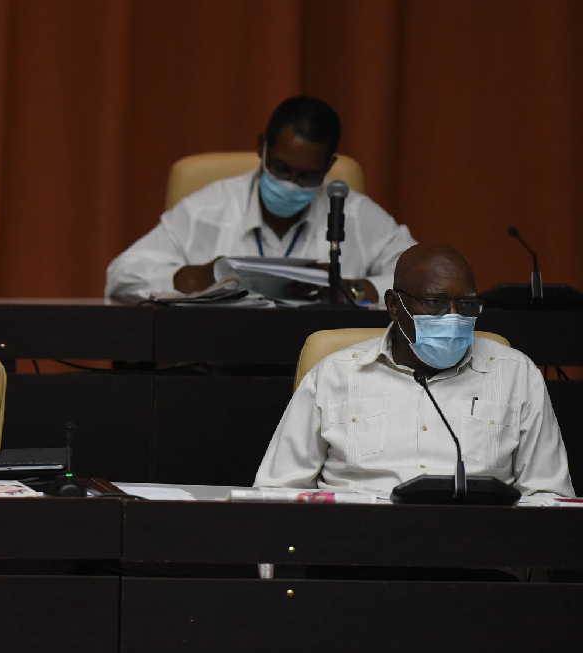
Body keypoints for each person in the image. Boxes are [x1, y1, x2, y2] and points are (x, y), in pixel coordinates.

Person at [254, 244, 574, 498]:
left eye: (466, 305)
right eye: (435, 302)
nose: (453, 317)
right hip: (354, 556)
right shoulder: (335, 376)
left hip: (475, 556)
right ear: (394, 305)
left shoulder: (516, 375)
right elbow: (277, 489)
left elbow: (548, 492)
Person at [105, 96, 416, 302]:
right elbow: (122, 276)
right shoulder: (207, 209)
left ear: (329, 167)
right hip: (216, 369)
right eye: (281, 168)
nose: (291, 184)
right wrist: (189, 279)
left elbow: (420, 281)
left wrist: (354, 290)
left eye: (307, 176)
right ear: (261, 148)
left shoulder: (357, 215)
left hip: (324, 372)